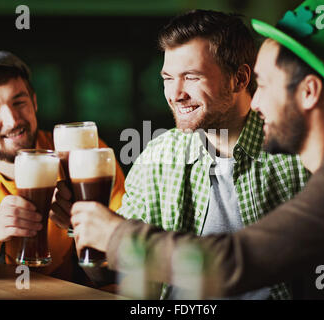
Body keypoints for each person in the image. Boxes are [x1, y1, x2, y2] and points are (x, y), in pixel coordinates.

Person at [71, 0, 324, 299]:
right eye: (168, 78)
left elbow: (230, 263)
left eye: (265, 84)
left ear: (309, 92)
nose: (256, 101)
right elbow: (117, 276)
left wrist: (116, 234)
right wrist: (90, 236)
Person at [57, 9, 310, 300]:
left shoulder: (297, 157)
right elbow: (113, 274)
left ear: (239, 79)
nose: (175, 93)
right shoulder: (158, 156)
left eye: (191, 77)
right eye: (168, 78)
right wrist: (83, 231)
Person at [0, 50, 125, 284]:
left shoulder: (81, 152)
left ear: (34, 102)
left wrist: (87, 225)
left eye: (19, 102)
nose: (12, 120)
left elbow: (129, 233)